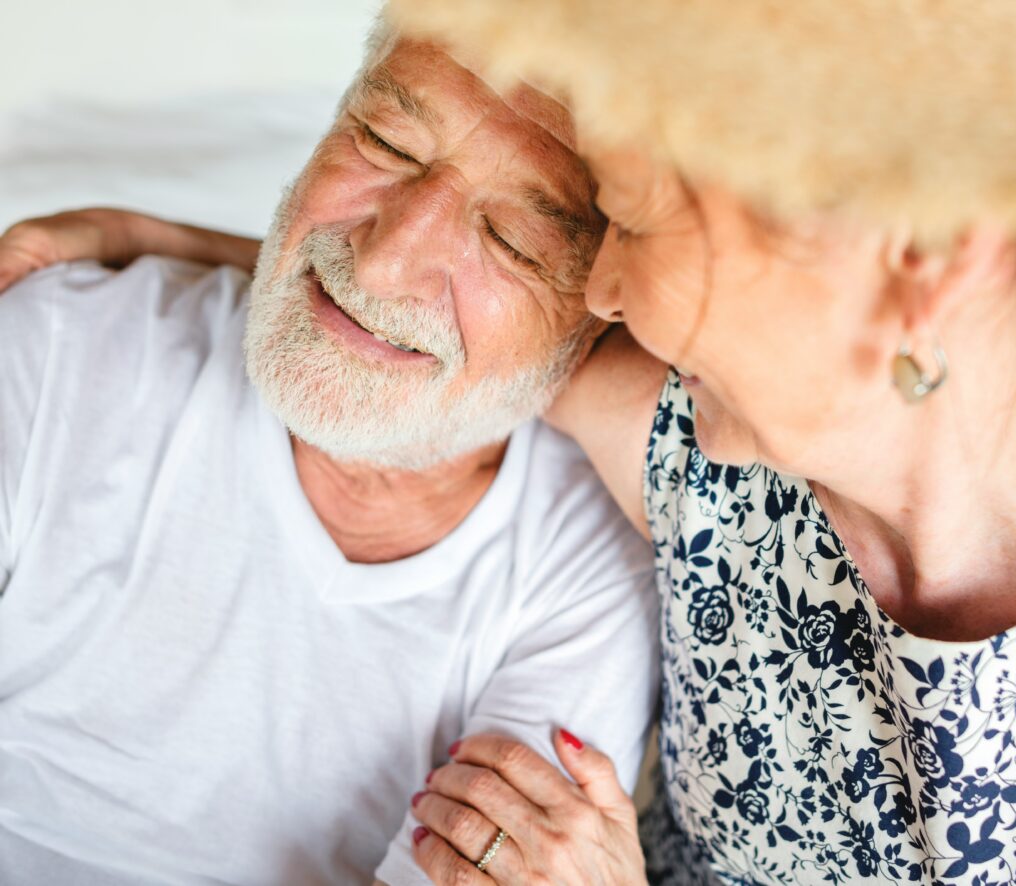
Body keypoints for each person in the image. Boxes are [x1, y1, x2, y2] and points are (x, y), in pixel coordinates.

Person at [372, 1, 1016, 884]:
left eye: (633, 224)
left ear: (927, 264)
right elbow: (438, 311)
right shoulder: (705, 462)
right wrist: (170, 247)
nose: (602, 289)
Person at [0, 20, 660, 886]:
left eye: (510, 242)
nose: (384, 261)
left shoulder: (586, 561)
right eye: (384, 141)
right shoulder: (60, 345)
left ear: (601, 307)